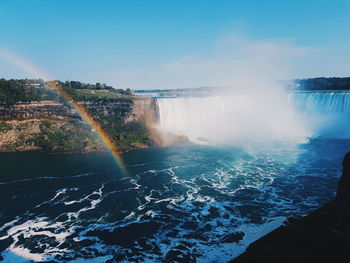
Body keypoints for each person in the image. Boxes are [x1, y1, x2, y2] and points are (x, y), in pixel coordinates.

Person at [334, 151, 350, 235]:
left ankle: (341, 227)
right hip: (345, 183)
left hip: (346, 184)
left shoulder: (348, 155)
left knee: (343, 202)